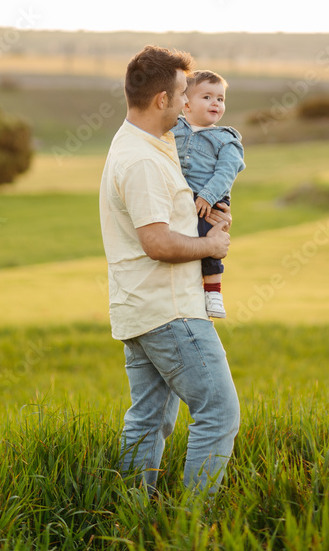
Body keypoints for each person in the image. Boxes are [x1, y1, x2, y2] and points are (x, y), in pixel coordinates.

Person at [99, 44, 241, 495]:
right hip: (169, 310)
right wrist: (211, 244)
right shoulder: (141, 160)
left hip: (140, 306)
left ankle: (130, 517)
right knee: (219, 412)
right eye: (183, 94)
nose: (187, 103)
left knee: (148, 418)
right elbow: (156, 242)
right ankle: (193, 531)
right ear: (162, 99)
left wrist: (212, 212)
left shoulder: (146, 142)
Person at [171, 70, 245, 319]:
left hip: (211, 200)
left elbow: (226, 173)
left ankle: (213, 291)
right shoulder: (173, 128)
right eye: (207, 97)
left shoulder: (225, 140)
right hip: (180, 197)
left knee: (209, 236)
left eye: (220, 99)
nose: (216, 103)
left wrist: (207, 196)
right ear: (186, 103)